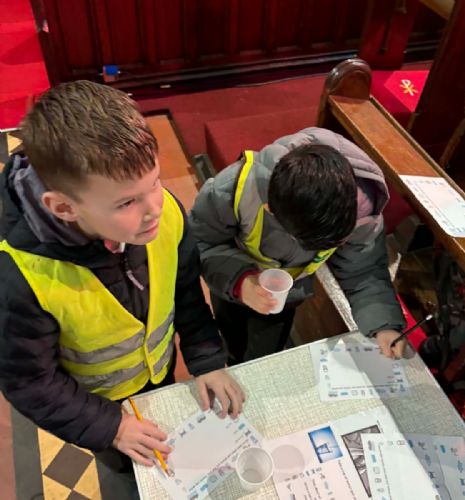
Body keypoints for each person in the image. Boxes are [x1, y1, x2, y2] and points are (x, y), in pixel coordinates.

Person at [0, 81, 244, 468]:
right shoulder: (19, 277)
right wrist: (111, 427)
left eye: (155, 182)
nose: (154, 209)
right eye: (127, 202)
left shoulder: (166, 215)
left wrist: (207, 359)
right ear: (64, 208)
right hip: (97, 406)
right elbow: (29, 381)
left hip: (157, 374)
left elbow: (185, 294)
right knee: (129, 471)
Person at [189, 127, 407, 364]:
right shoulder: (233, 188)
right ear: (270, 209)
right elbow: (201, 242)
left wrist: (383, 324)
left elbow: (364, 269)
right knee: (231, 338)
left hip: (285, 299)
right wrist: (240, 282)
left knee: (266, 355)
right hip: (229, 282)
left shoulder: (361, 213)